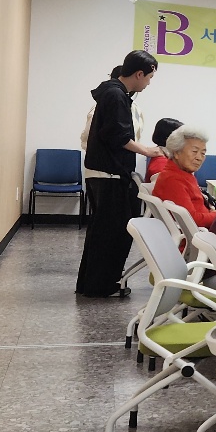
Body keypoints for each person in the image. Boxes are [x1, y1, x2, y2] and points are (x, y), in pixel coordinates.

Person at [75, 50, 163, 298]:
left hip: (102, 173)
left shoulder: (112, 93)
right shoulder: (116, 95)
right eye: (149, 78)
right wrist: (147, 150)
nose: (148, 84)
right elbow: (117, 135)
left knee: (100, 231)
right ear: (139, 74)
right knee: (111, 234)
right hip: (109, 174)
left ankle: (90, 284)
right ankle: (102, 286)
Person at [79, 64, 146, 201]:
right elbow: (91, 138)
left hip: (115, 171)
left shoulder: (132, 107)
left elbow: (86, 138)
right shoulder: (113, 100)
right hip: (107, 172)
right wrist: (147, 151)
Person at [151, 125, 216, 229]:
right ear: (176, 153)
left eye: (203, 153)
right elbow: (192, 220)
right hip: (198, 235)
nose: (199, 158)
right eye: (194, 151)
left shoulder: (183, 173)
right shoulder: (172, 179)